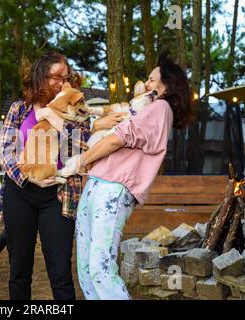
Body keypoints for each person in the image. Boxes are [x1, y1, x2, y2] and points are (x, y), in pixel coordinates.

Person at [60, 51, 194, 299]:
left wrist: (81, 160)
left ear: (167, 85)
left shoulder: (160, 108)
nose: (147, 83)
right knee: (86, 270)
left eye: (153, 79)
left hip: (113, 189)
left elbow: (117, 139)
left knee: (101, 270)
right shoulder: (146, 107)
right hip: (96, 185)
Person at [0, 51, 125, 300]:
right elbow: (4, 151)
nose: (61, 82)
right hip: (19, 192)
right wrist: (27, 177)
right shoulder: (19, 109)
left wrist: (55, 119)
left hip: (58, 195)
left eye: (65, 77)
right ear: (39, 76)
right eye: (55, 76)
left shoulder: (75, 111)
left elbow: (78, 147)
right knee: (19, 270)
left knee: (60, 272)